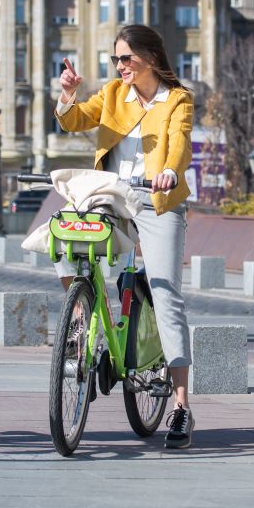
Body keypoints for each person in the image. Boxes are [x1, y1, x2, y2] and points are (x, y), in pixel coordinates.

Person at [55, 24, 196, 449]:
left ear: (150, 58)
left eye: (126, 59)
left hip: (157, 199)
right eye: (116, 59)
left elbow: (179, 144)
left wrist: (169, 171)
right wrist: (68, 95)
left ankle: (181, 405)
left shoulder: (177, 100)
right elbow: (75, 121)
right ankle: (80, 321)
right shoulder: (114, 93)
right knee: (64, 235)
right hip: (112, 197)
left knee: (166, 291)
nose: (120, 67)